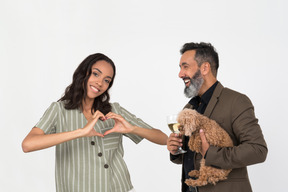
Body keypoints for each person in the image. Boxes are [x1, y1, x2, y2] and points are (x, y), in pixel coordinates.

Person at [22, 53, 168, 192]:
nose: (100, 83)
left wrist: (133, 129)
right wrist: (80, 132)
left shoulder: (114, 111)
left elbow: (163, 139)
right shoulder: (59, 110)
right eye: (96, 74)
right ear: (83, 73)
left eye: (107, 80)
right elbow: (28, 144)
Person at [167, 42, 268, 192]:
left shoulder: (236, 101)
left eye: (185, 66)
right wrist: (176, 150)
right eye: (180, 68)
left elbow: (258, 150)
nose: (180, 74)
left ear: (205, 68)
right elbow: (194, 156)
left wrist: (211, 153)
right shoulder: (190, 107)